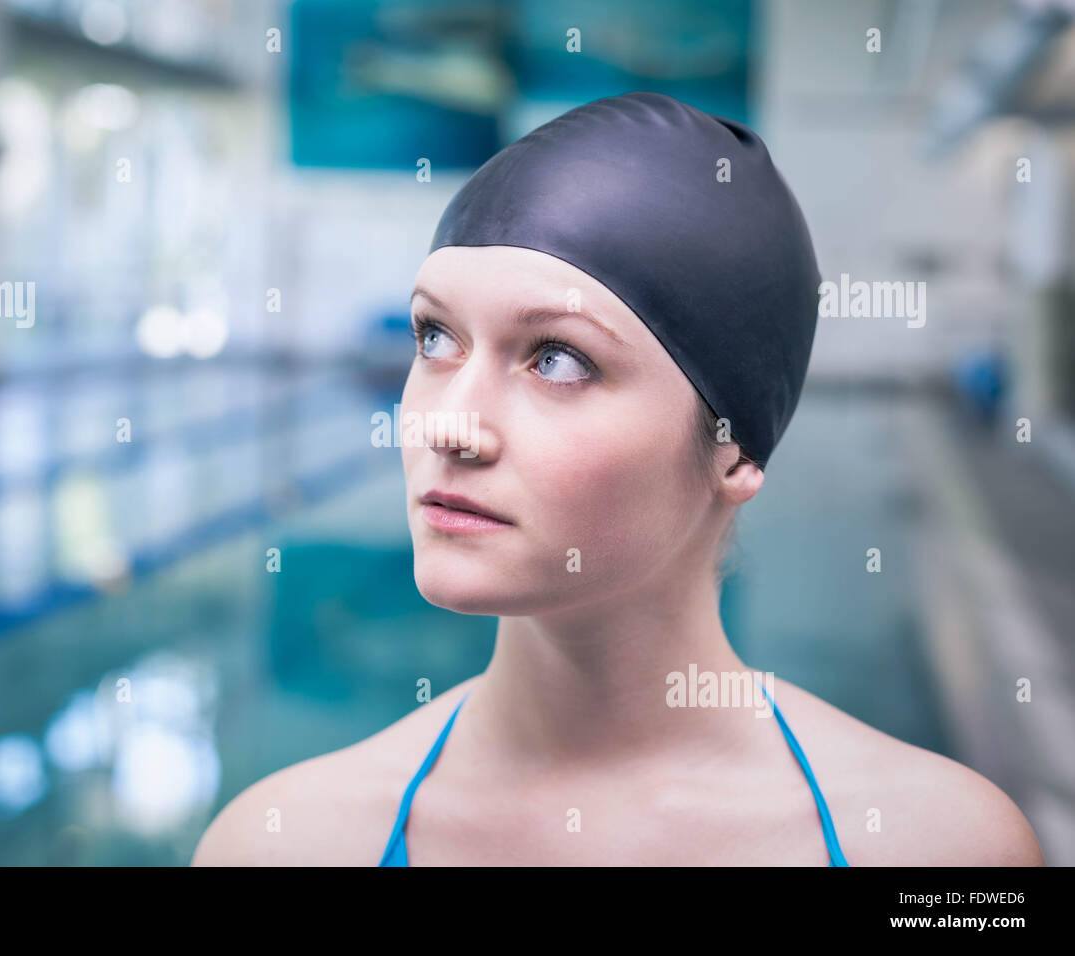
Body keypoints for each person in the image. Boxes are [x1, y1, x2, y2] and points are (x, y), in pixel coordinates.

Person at [193, 92, 1045, 866]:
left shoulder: (942, 853)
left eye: (556, 359)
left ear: (736, 450)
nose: (448, 424)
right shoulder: (283, 844)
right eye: (435, 338)